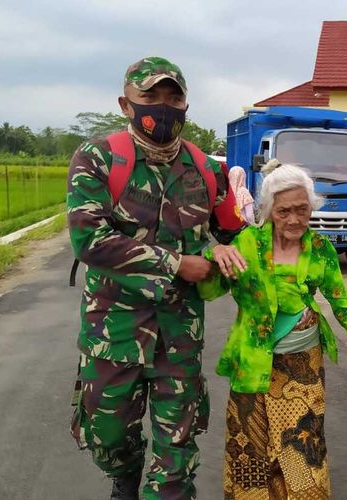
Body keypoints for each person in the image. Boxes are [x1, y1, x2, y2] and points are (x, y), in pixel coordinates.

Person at [67, 56, 247, 500]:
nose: (163, 106)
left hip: (179, 338)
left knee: (175, 459)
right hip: (114, 332)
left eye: (173, 97)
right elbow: (89, 240)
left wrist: (224, 248)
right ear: (125, 104)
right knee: (109, 438)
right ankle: (123, 477)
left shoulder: (207, 169)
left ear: (186, 104)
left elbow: (233, 235)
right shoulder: (98, 158)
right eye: (150, 97)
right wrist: (175, 263)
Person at [198, 160, 347, 499]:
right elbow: (208, 291)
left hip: (303, 371)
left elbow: (342, 305)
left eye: (302, 210)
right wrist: (214, 255)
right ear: (268, 210)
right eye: (284, 211)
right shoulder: (247, 243)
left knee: (303, 450)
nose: (294, 219)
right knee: (251, 450)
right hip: (252, 366)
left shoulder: (321, 250)